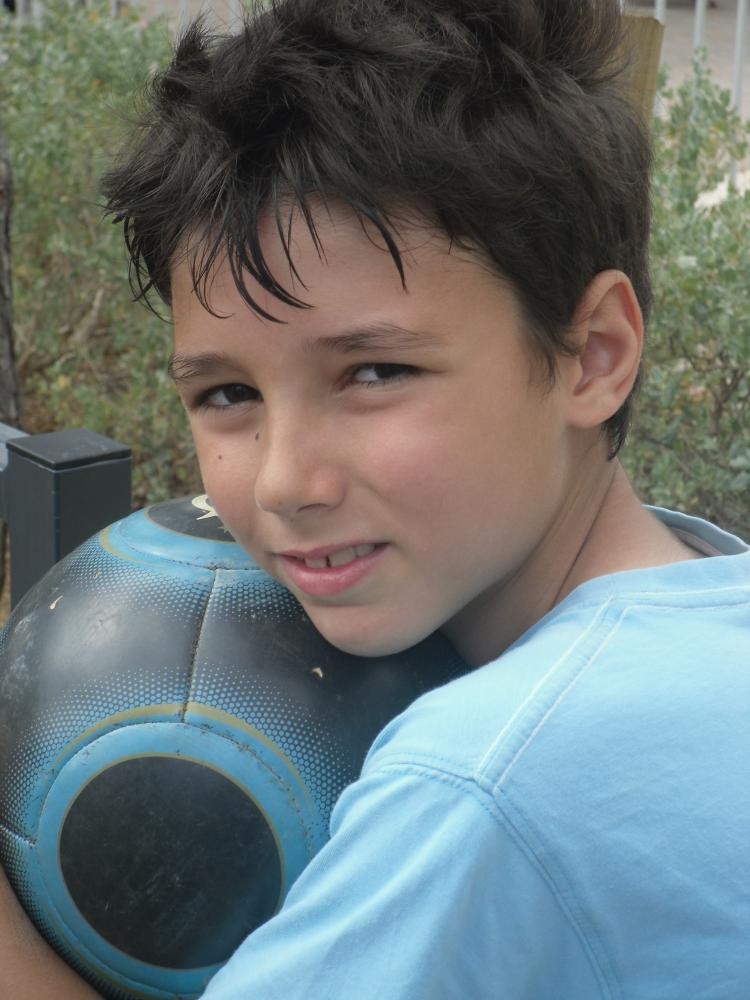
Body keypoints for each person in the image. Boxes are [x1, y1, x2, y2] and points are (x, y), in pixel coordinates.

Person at [1, 0, 748, 996]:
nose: (285, 481)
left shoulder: (478, 788)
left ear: (594, 354)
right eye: (227, 394)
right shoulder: (712, 593)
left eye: (376, 373)